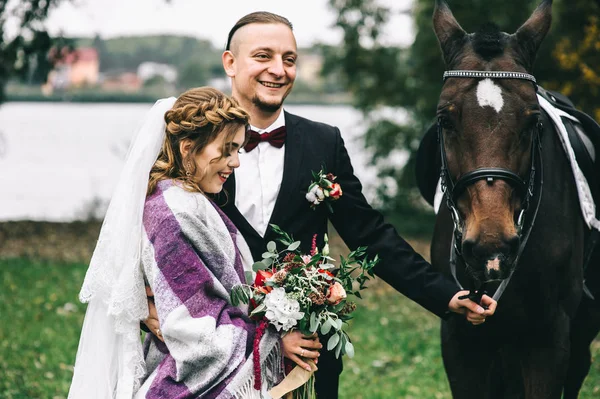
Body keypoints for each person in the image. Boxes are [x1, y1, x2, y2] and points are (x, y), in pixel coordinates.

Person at [144, 12, 498, 398]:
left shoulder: (323, 142)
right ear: (230, 62)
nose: (278, 70)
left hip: (310, 358)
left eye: (289, 59)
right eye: (263, 56)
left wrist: (445, 294)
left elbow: (370, 233)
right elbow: (157, 240)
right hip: (218, 364)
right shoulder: (194, 148)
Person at [68, 87, 321, 399]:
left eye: (238, 151)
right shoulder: (177, 214)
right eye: (226, 150)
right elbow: (196, 330)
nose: (235, 163)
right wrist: (272, 344)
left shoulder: (178, 198)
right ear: (188, 147)